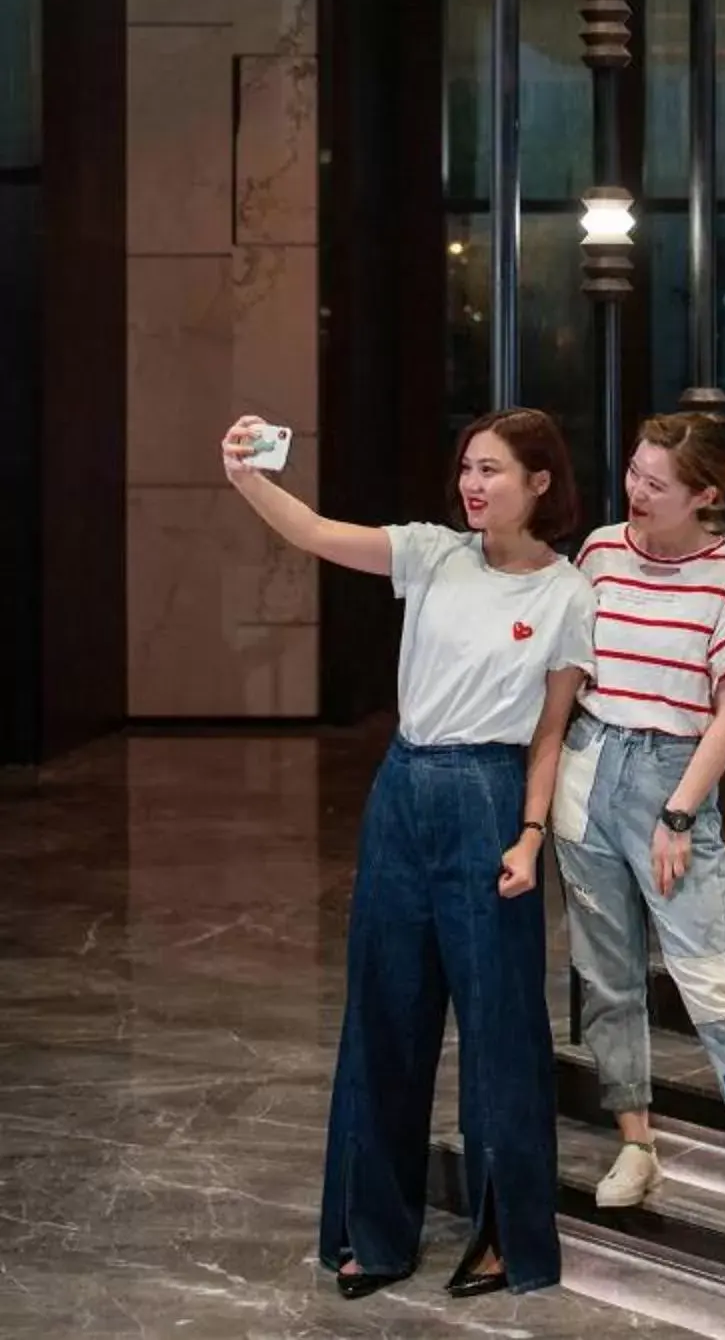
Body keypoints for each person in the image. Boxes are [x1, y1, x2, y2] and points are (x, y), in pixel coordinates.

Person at [221, 405, 596, 1301]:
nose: (473, 484)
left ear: (539, 484)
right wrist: (247, 478)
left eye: (494, 470)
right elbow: (314, 532)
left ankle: (507, 1235)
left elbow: (550, 733)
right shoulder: (433, 552)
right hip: (404, 787)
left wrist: (530, 835)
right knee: (383, 1012)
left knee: (500, 1023)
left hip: (489, 794)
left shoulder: (565, 594)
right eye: (468, 466)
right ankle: (373, 1232)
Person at [555, 409, 725, 1238]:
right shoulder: (599, 550)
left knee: (709, 977)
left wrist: (679, 813)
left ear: (701, 495)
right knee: (609, 978)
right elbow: (570, 669)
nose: (635, 491)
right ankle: (635, 1140)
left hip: (670, 772)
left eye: (655, 484)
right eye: (633, 471)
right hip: (588, 770)